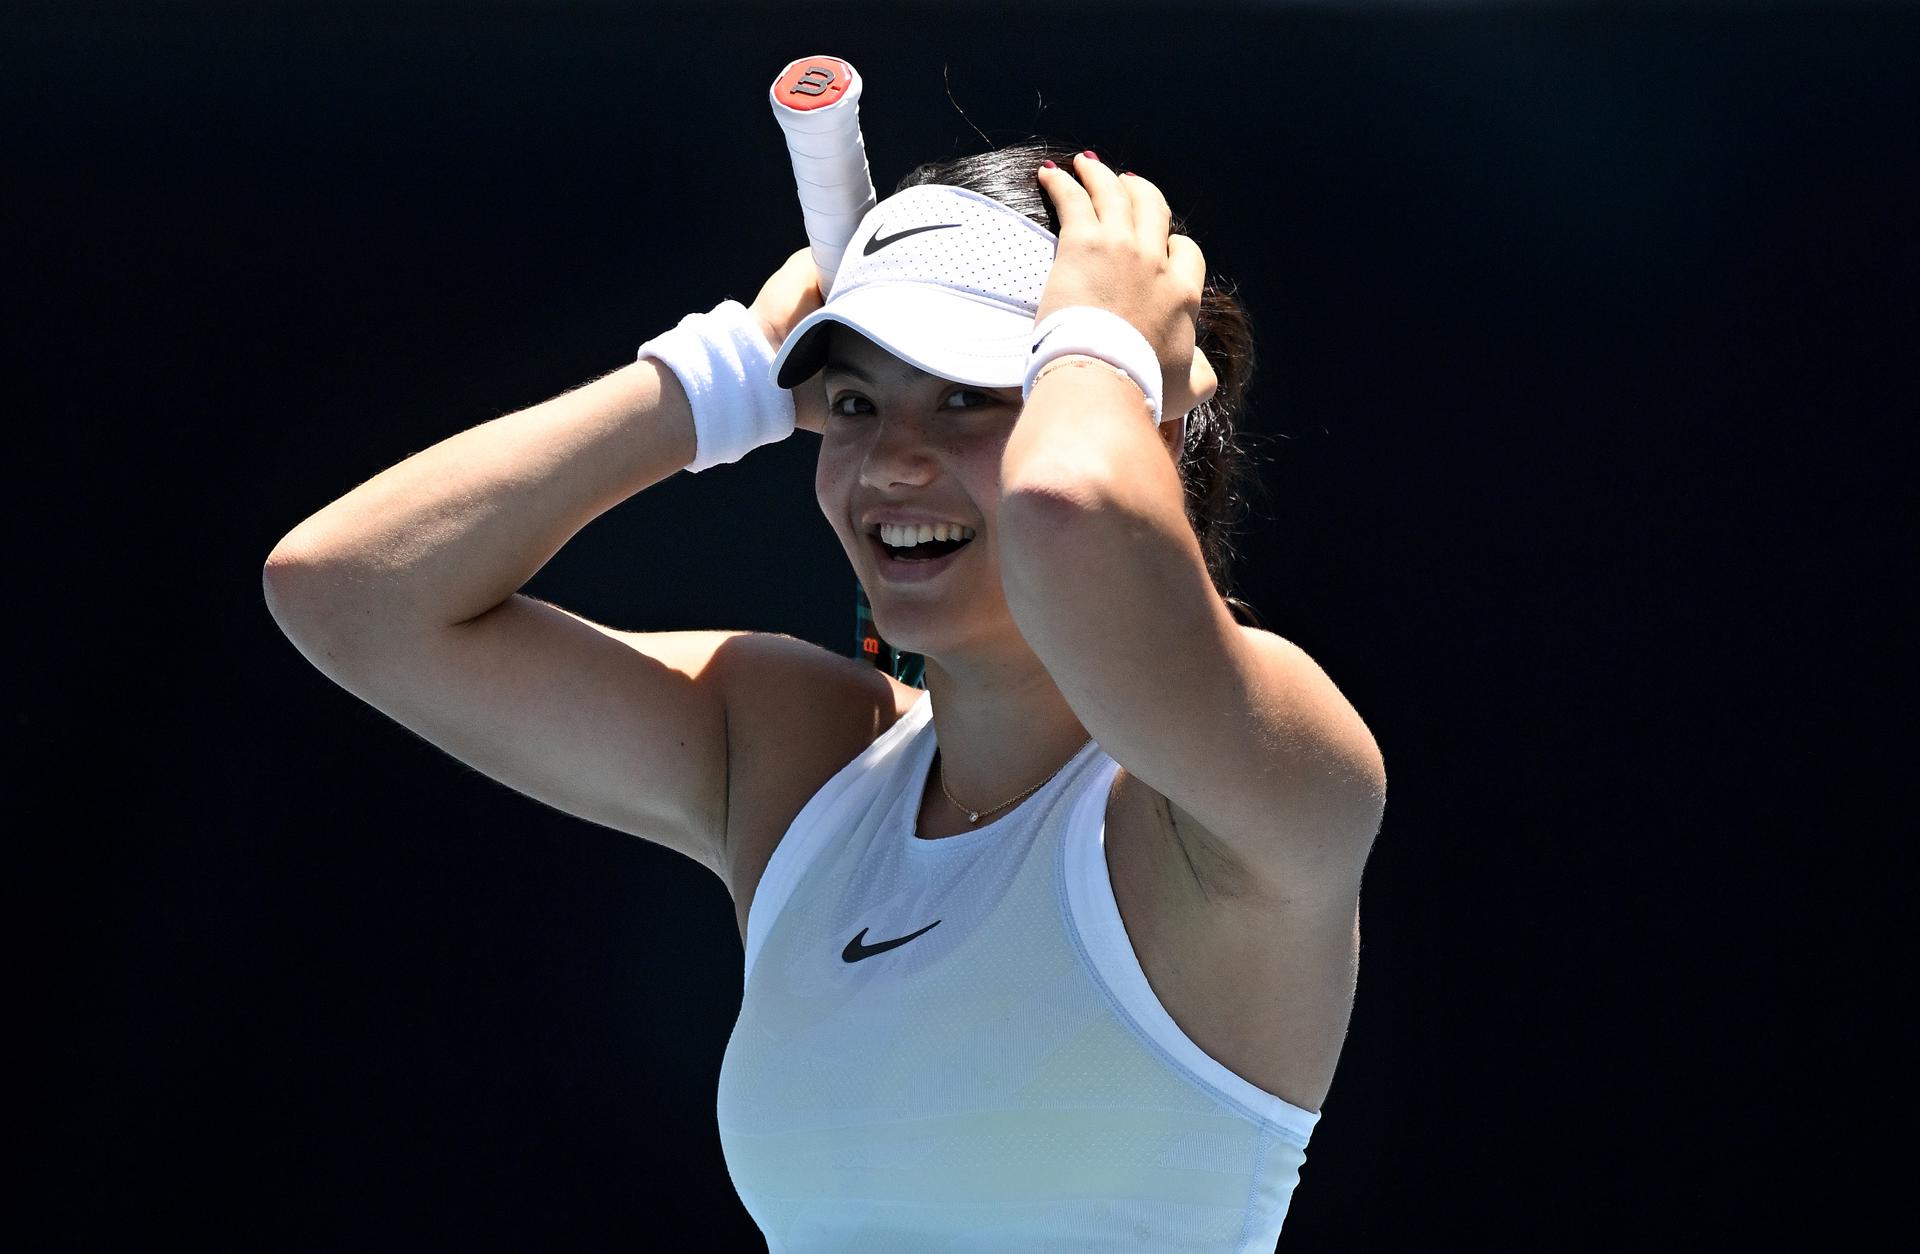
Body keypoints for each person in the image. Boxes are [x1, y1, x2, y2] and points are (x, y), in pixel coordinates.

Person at [264, 140, 1385, 1250]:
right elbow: (349, 594)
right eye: (852, 405)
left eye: (967, 398)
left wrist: (1101, 348)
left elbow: (1072, 506)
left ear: (1144, 413)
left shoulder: (1256, 769)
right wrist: (719, 379)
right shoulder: (798, 757)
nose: (892, 461)